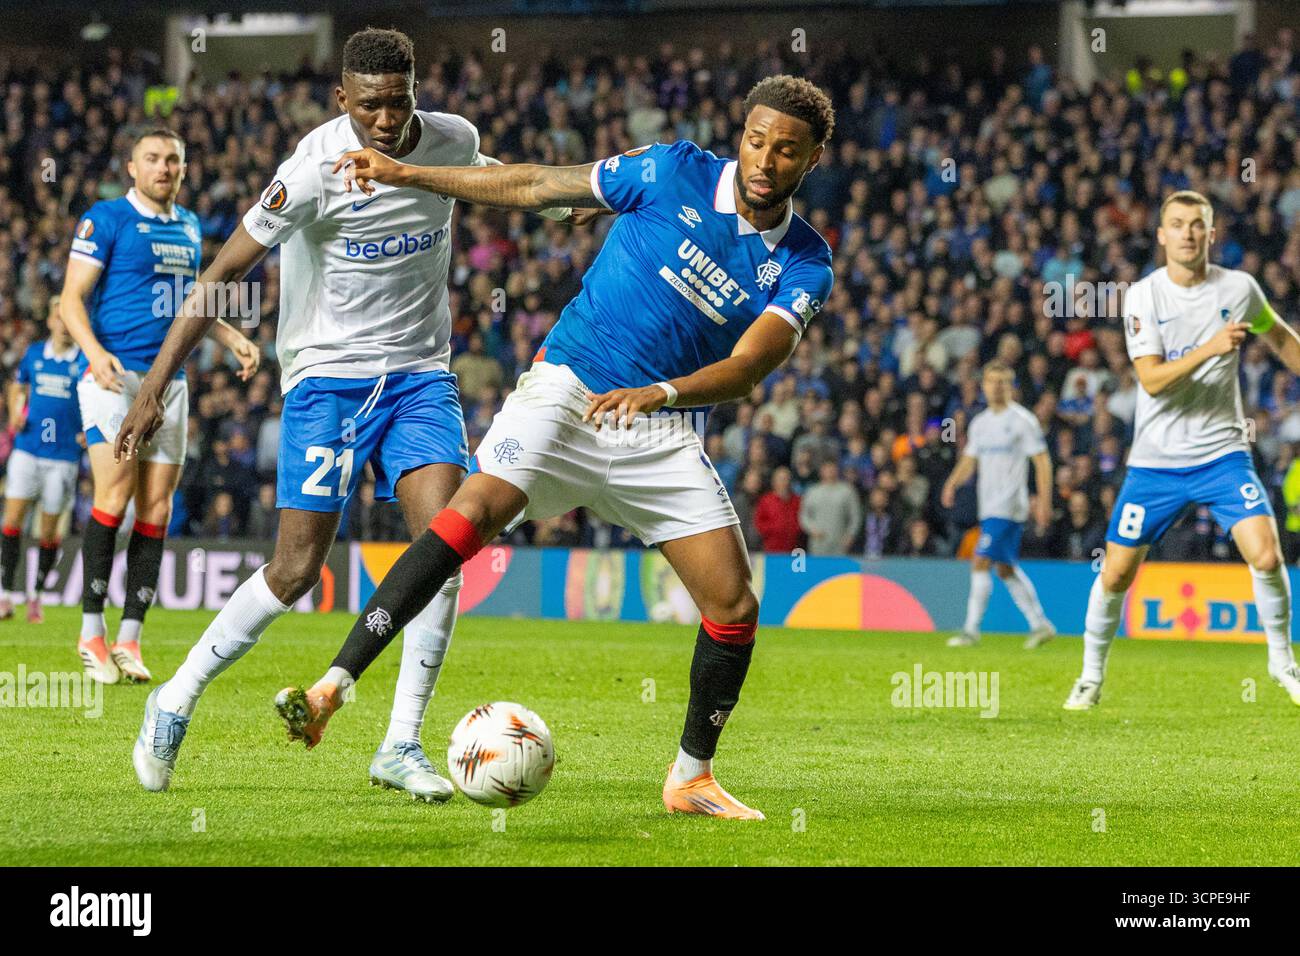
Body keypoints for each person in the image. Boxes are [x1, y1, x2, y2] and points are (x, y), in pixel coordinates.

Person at [276, 74, 836, 820]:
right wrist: (408, 172)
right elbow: (540, 183)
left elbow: (749, 366)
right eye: (756, 140)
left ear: (813, 159)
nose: (765, 160)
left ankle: (691, 777)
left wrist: (663, 394)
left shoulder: (805, 260)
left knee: (733, 604)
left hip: (659, 428)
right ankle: (332, 687)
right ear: (742, 134)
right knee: (467, 515)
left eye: (786, 150)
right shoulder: (672, 170)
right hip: (569, 389)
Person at [115, 28, 590, 797]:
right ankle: (175, 700)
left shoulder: (448, 138)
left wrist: (562, 204)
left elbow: (488, 173)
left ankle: (400, 744)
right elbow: (221, 274)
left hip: (418, 376)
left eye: (399, 100)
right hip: (326, 380)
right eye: (370, 103)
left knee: (444, 550)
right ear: (343, 99)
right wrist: (151, 388)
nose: (386, 117)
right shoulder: (310, 171)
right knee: (297, 568)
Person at [1065, 190, 1300, 710]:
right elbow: (1150, 380)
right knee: (1117, 573)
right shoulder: (1144, 296)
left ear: (1211, 233)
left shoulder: (1239, 288)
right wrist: (1211, 347)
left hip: (1222, 454)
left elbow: (1280, 339)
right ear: (1162, 235)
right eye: (1177, 224)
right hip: (1155, 464)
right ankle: (1090, 676)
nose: (1188, 233)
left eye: (1198, 224)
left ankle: (1283, 661)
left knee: (1265, 553)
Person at [59, 128, 259, 685]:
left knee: (157, 509)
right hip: (114, 374)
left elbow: (189, 305)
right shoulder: (106, 218)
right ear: (131, 167)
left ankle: (129, 638)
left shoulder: (191, 225)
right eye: (152, 158)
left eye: (173, 159)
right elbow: (71, 299)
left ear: (185, 168)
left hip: (168, 380)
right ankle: (91, 631)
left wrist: (230, 338)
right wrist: (94, 354)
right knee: (115, 494)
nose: (164, 167)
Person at [940, 361, 1056, 649]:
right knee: (1005, 568)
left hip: (1009, 505)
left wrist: (1043, 502)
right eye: (992, 381)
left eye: (1003, 382)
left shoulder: (1023, 421)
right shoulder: (980, 423)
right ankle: (1040, 624)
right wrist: (952, 483)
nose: (997, 387)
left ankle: (971, 630)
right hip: (988, 504)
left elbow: (1042, 461)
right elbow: (970, 459)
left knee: (980, 561)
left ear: (1011, 387)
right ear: (983, 386)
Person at [0, 298, 83, 623]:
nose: (63, 322)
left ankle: (36, 594)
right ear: (50, 321)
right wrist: (14, 414)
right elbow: (17, 384)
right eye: (57, 315)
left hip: (63, 457)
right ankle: (5, 594)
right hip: (28, 449)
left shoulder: (85, 359)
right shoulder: (34, 354)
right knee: (12, 521)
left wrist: (88, 431)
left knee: (48, 532)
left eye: (68, 316)